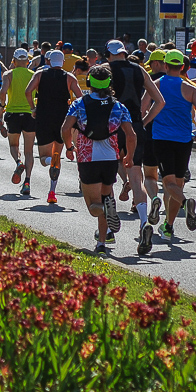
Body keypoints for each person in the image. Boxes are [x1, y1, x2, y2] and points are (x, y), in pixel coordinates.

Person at [62, 63, 135, 253]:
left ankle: (105, 211)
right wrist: (129, 156)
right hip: (110, 159)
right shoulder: (119, 106)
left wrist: (70, 147)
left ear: (89, 82)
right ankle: (101, 242)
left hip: (87, 158)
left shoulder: (79, 104)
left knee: (93, 206)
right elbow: (131, 135)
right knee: (106, 196)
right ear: (109, 83)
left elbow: (64, 129)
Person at [106, 39, 165, 255]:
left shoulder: (105, 70)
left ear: (108, 54)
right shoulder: (139, 69)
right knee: (136, 176)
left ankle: (108, 230)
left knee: (107, 177)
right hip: (135, 126)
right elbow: (160, 101)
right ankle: (143, 224)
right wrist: (144, 121)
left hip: (110, 127)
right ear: (124, 52)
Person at [150, 50, 196, 243]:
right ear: (182, 67)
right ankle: (168, 226)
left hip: (162, 138)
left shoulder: (156, 85)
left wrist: (142, 124)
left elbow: (144, 107)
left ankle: (186, 203)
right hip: (184, 140)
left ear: (165, 66)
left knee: (168, 184)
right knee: (178, 184)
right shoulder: (190, 88)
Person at [24, 49, 83, 204]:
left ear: (48, 61)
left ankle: (51, 160)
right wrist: (74, 112)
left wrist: (33, 108)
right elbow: (80, 98)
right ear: (62, 62)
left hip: (43, 116)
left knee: (44, 158)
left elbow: (28, 91)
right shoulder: (70, 78)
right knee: (58, 153)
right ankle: (52, 192)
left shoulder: (40, 75)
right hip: (63, 119)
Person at [0, 48, 37, 195]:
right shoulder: (34, 75)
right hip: (29, 114)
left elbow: (3, 92)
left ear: (14, 61)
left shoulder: (8, 74)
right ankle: (27, 182)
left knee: (13, 145)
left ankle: (18, 162)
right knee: (29, 151)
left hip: (13, 113)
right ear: (27, 62)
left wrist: (2, 104)